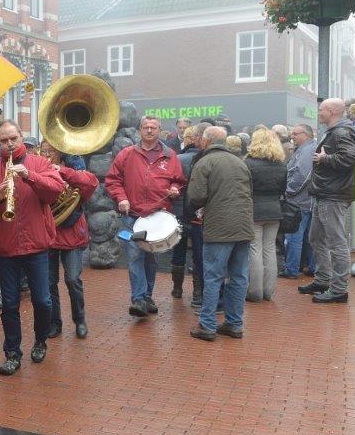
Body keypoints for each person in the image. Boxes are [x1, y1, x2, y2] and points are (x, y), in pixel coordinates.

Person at [0, 120, 64, 375]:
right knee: (10, 304)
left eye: (13, 138)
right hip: (6, 248)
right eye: (4, 140)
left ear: (21, 138)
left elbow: (55, 191)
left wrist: (30, 176)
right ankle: (12, 353)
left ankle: (40, 340)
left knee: (43, 301)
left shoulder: (40, 163)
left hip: (37, 245)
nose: (9, 144)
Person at [104, 116, 186, 318]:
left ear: (159, 130)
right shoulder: (127, 154)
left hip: (158, 216)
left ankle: (147, 296)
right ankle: (139, 299)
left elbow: (178, 181)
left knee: (151, 259)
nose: (149, 131)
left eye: (153, 128)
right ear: (140, 130)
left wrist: (175, 189)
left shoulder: (170, 155)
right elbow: (113, 180)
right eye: (146, 127)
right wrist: (121, 198)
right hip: (133, 216)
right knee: (135, 256)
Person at [186, 126, 253, 341]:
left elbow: (196, 196)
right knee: (239, 277)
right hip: (243, 226)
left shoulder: (204, 162)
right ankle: (234, 323)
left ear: (205, 141)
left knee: (213, 277)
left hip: (219, 227)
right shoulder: (240, 162)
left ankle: (207, 325)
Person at [300, 98, 355, 303]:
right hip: (325, 193)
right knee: (316, 238)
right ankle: (322, 280)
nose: (319, 113)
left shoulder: (341, 132)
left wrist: (325, 159)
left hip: (333, 195)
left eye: (321, 110)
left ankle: (339, 289)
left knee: (337, 243)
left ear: (332, 111)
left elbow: (352, 158)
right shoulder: (335, 132)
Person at [44, 147, 99, 339]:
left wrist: (61, 170)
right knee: (49, 282)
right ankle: (54, 322)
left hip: (72, 233)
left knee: (73, 279)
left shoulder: (74, 166)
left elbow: (91, 183)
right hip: (49, 234)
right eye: (44, 150)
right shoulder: (40, 167)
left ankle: (80, 319)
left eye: (50, 151)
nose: (46, 154)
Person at [244, 129, 287, 302]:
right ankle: (268, 291)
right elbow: (283, 189)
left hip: (254, 210)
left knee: (255, 248)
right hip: (274, 210)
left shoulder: (248, 163)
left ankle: (255, 291)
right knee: (270, 249)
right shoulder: (281, 164)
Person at [173, 122, 210, 305]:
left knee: (178, 249)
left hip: (179, 210)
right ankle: (197, 292)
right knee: (199, 252)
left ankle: (177, 288)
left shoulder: (178, 159)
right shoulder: (206, 159)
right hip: (198, 213)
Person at [280, 123, 317, 279]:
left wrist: (288, 191)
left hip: (300, 202)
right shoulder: (306, 149)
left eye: (295, 133)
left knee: (294, 237)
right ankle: (312, 267)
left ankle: (292, 269)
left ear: (306, 134)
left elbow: (302, 175)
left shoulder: (307, 150)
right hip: (308, 201)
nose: (292, 136)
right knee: (310, 238)